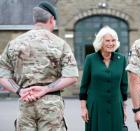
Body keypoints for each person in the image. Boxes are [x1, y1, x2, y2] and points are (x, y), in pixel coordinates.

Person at [0, 1, 78, 131]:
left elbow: (2, 73)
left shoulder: (14, 43)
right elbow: (72, 76)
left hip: (25, 102)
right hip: (51, 105)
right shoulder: (60, 44)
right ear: (52, 19)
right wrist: (46, 89)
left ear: (35, 20)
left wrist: (20, 90)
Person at [79, 26, 128, 131]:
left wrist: (124, 108)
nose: (111, 43)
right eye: (107, 40)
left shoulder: (121, 59)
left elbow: (124, 86)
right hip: (95, 106)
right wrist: (83, 108)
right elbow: (84, 86)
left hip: (116, 106)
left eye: (113, 40)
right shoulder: (90, 59)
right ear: (101, 42)